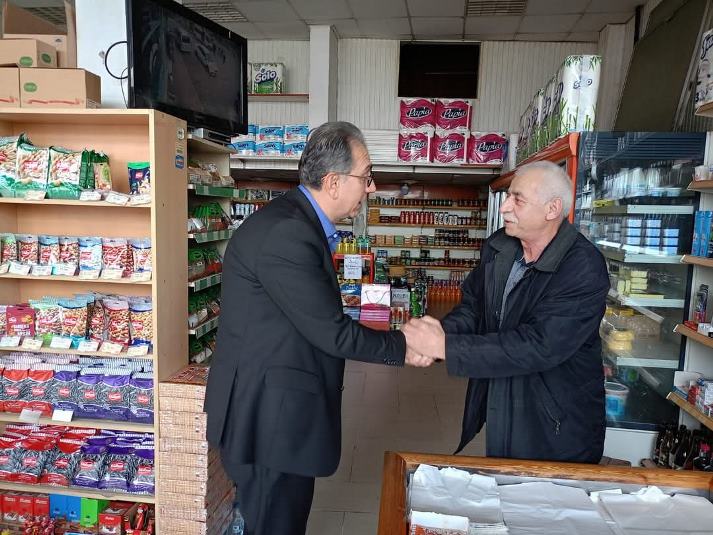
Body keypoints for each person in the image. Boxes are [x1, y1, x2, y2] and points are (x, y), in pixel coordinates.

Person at [204, 121, 431, 535]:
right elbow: (331, 331)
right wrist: (405, 345)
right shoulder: (289, 233)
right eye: (366, 177)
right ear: (333, 182)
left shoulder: (297, 222)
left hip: (277, 410)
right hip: (268, 422)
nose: (371, 187)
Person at [403, 161, 609, 463]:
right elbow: (474, 308)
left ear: (552, 209)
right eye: (508, 196)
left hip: (557, 422)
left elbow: (540, 344)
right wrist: (439, 335)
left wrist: (445, 346)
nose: (504, 208)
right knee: (503, 478)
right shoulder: (500, 247)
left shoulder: (583, 267)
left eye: (517, 199)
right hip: (505, 403)